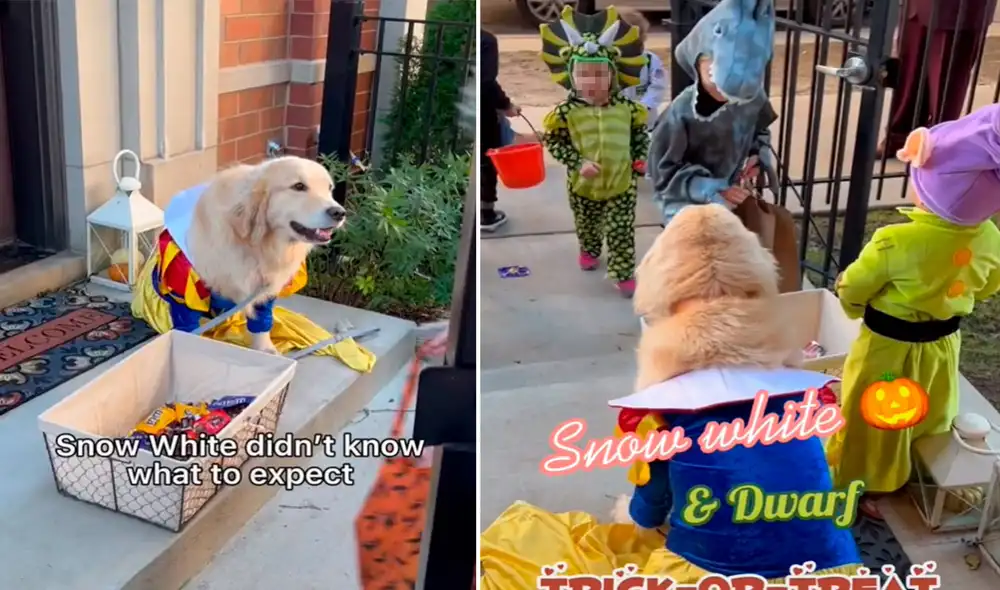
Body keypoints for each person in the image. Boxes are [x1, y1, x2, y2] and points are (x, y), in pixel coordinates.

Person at [826, 104, 1000, 519]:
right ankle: (924, 468)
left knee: (874, 414)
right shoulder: (991, 238)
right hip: (942, 347)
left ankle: (866, 484)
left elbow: (855, 284)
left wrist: (850, 306)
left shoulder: (895, 241)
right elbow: (990, 284)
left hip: (887, 348)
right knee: (933, 408)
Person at [539, 6, 650, 298]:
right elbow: (554, 143)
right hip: (583, 186)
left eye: (599, 75)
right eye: (584, 75)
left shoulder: (627, 109)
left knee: (620, 231)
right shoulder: (565, 113)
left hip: (621, 183)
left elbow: (639, 136)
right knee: (587, 225)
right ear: (572, 77)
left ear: (612, 76)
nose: (591, 83)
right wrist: (577, 162)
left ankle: (623, 272)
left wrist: (640, 158)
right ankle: (588, 248)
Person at [648, 0, 777, 228]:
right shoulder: (680, 114)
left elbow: (759, 131)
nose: (724, 94)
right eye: (714, 75)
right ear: (697, 62)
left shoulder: (753, 99)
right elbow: (662, 172)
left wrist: (758, 155)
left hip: (733, 199)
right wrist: (708, 188)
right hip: (686, 208)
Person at [877, 0, 996, 158]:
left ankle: (936, 145)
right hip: (916, 9)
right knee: (908, 74)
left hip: (958, 12)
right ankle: (900, 138)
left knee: (946, 83)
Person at [481, 29, 518, 232]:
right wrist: (505, 104)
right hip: (484, 111)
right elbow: (486, 81)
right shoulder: (486, 40)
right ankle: (486, 214)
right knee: (487, 159)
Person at [616, 8, 668, 128]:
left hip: (645, 121)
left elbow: (658, 86)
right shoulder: (610, 60)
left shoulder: (650, 60)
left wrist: (644, 106)